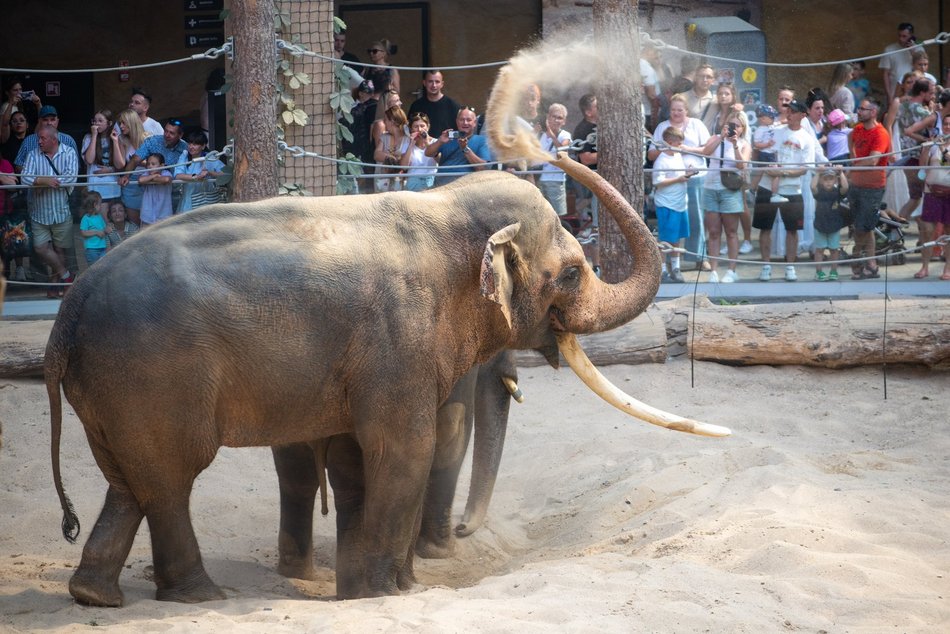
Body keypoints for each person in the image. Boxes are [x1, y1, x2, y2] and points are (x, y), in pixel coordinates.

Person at [752, 100, 826, 282]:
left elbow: (804, 168)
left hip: (792, 189)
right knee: (765, 228)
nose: (789, 114)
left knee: (792, 229)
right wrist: (765, 167)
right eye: (788, 111)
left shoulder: (807, 139)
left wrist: (782, 171)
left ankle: (790, 267)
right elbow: (762, 154)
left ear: (802, 115)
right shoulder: (775, 132)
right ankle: (766, 266)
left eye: (793, 111)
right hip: (767, 186)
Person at [649, 94, 711, 270]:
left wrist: (685, 148)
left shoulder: (696, 125)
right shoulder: (662, 127)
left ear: (686, 110)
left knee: (696, 218)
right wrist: (665, 148)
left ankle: (699, 257)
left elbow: (708, 150)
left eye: (680, 110)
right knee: (672, 224)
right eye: (673, 109)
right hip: (670, 180)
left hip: (695, 177)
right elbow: (651, 154)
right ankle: (668, 262)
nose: (676, 113)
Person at [19, 124, 78, 298]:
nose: (39, 141)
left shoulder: (69, 153)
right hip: (39, 212)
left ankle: (55, 284)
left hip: (60, 210)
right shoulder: (33, 154)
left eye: (42, 138)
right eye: (39, 138)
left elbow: (71, 177)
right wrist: (44, 180)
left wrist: (41, 180)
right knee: (40, 248)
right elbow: (25, 178)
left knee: (59, 250)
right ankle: (67, 278)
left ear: (54, 139)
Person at [700, 114, 751, 283]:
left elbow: (741, 165)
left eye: (738, 126)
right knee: (714, 232)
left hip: (730, 190)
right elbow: (706, 153)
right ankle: (714, 271)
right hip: (711, 188)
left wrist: (735, 144)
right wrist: (721, 137)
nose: (734, 128)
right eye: (731, 125)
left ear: (742, 129)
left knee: (731, 231)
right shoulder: (715, 138)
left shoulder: (744, 144)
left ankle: (731, 270)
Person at [848, 99, 890, 280]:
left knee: (863, 226)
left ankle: (856, 258)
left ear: (873, 112)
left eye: (863, 109)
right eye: (859, 109)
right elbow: (851, 142)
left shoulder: (881, 133)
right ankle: (872, 264)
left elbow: (873, 161)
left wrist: (854, 164)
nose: (859, 112)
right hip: (856, 184)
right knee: (866, 225)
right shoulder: (857, 130)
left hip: (872, 187)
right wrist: (853, 161)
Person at [651, 126, 693, 283]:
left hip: (681, 203)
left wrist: (687, 173)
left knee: (677, 238)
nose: (681, 145)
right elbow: (657, 182)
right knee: (665, 239)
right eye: (678, 142)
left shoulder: (677, 156)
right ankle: (662, 270)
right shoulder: (661, 160)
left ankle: (676, 268)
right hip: (667, 204)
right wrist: (679, 179)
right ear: (669, 142)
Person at [915, 116, 950, 280]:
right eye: (946, 123)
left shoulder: (943, 147)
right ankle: (924, 267)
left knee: (949, 232)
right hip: (931, 192)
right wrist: (927, 149)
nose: (948, 126)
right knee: (927, 230)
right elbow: (923, 166)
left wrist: (943, 149)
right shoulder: (935, 144)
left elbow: (946, 161)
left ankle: (947, 269)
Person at [895, 78, 934, 221]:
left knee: (915, 196)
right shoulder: (923, 112)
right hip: (919, 157)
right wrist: (926, 140)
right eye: (930, 92)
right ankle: (897, 227)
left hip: (905, 155)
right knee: (922, 195)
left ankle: (901, 226)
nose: (932, 95)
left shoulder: (903, 106)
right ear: (923, 93)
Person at [425, 106, 490, 185]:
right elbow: (428, 153)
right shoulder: (447, 137)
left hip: (466, 185)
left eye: (468, 120)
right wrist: (440, 141)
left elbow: (483, 168)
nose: (465, 123)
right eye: (462, 120)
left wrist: (465, 149)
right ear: (457, 121)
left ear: (475, 123)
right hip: (442, 183)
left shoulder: (481, 140)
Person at [810, 167, 849, 281]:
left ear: (835, 181)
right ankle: (819, 271)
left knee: (834, 249)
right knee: (820, 249)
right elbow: (812, 186)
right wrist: (818, 173)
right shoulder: (819, 192)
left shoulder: (837, 192)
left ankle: (833, 270)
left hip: (834, 225)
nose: (828, 182)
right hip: (820, 225)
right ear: (821, 181)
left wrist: (840, 173)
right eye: (825, 179)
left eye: (831, 179)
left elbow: (845, 187)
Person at [174, 130, 225, 212]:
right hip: (188, 202)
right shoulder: (184, 156)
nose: (191, 147)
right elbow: (178, 175)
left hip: (207, 201)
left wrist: (210, 173)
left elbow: (225, 174)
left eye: (195, 144)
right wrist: (196, 177)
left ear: (203, 146)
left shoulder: (210, 158)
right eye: (189, 143)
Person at [82, 108, 120, 218]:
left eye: (100, 121)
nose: (96, 123)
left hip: (112, 187)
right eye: (94, 121)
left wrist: (110, 170)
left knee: (113, 220)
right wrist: (94, 135)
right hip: (95, 188)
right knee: (100, 222)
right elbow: (89, 160)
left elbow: (121, 164)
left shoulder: (115, 138)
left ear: (109, 123)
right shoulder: (88, 138)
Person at [13, 105, 78, 170]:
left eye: (52, 120)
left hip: (62, 179)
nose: (49, 123)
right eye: (45, 120)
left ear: (57, 121)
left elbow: (76, 166)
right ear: (39, 121)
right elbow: (18, 165)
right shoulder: (28, 141)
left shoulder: (68, 140)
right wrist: (35, 177)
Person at [112, 108, 147, 226]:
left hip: (148, 182)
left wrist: (138, 161)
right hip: (130, 182)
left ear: (132, 123)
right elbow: (119, 164)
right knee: (135, 224)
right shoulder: (122, 139)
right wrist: (115, 142)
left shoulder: (148, 138)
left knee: (149, 224)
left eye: (123, 123)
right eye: (119, 123)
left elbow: (156, 163)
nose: (121, 126)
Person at [537, 103, 572, 216]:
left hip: (556, 180)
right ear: (548, 117)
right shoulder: (540, 135)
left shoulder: (565, 135)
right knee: (540, 214)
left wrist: (552, 135)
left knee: (557, 215)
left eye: (560, 118)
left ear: (564, 121)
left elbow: (563, 152)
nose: (556, 120)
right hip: (538, 179)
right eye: (554, 116)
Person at [407, 70, 462, 139]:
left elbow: (459, 132)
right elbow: (409, 129)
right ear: (424, 83)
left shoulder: (453, 106)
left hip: (445, 147)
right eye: (430, 81)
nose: (434, 85)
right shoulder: (416, 105)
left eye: (437, 81)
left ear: (442, 84)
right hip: (422, 146)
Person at [751, 104, 786, 203]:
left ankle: (751, 190)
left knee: (760, 171)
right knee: (776, 174)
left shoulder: (771, 125)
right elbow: (756, 144)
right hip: (766, 154)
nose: (773, 118)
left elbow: (781, 122)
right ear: (762, 119)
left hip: (769, 153)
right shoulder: (759, 130)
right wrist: (767, 144)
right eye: (770, 117)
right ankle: (774, 194)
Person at [373, 105, 411, 192]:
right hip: (382, 178)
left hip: (398, 180)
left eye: (386, 119)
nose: (384, 122)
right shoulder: (384, 137)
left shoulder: (407, 140)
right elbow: (376, 154)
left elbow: (406, 163)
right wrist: (391, 158)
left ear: (392, 121)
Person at [880, 23, 919, 105]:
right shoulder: (889, 50)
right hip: (895, 92)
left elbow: (921, 70)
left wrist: (913, 52)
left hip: (914, 92)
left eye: (904, 36)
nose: (901, 39)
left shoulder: (919, 49)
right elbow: (885, 74)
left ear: (911, 36)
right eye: (899, 35)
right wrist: (889, 95)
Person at [400, 112, 438, 192]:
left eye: (422, 126)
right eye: (416, 127)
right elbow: (404, 166)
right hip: (413, 181)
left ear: (428, 127)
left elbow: (439, 160)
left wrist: (427, 143)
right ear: (411, 129)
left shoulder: (435, 142)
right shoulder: (407, 143)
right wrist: (411, 144)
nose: (419, 129)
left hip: (431, 180)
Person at [674, 63, 717, 132]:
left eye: (708, 77)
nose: (705, 79)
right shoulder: (682, 98)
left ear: (713, 81)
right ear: (696, 78)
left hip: (708, 141)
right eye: (701, 76)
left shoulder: (717, 100)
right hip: (687, 140)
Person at [137, 153, 173, 227]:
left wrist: (151, 178)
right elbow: (141, 180)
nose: (150, 166)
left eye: (153, 164)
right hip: (147, 216)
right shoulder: (146, 173)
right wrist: (154, 175)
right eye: (148, 164)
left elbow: (166, 179)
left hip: (164, 216)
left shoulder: (166, 173)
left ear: (162, 165)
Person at [1, 77, 41, 144]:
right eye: (15, 90)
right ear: (7, 93)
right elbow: (4, 125)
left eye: (20, 89)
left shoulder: (19, 104)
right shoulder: (6, 106)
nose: (19, 92)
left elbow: (42, 120)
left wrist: (38, 103)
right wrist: (11, 103)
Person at [78, 191, 108, 266]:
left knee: (102, 267)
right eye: (100, 204)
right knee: (93, 268)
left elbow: (103, 228)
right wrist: (96, 232)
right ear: (95, 205)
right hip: (92, 249)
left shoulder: (99, 216)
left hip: (102, 247)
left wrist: (107, 229)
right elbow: (83, 232)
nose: (101, 206)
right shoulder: (86, 218)